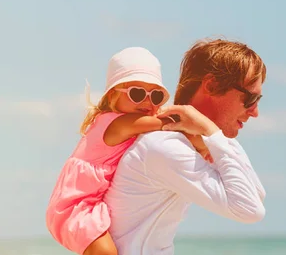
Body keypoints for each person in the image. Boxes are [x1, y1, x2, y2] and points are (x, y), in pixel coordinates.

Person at [104, 37, 267, 254]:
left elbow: (256, 193)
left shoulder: (189, 142)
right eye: (249, 100)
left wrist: (213, 135)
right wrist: (211, 132)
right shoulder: (164, 145)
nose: (254, 112)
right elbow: (249, 210)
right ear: (211, 85)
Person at [45, 47, 211, 255]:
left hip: (91, 204)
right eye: (137, 93)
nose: (147, 102)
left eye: (156, 96)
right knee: (106, 252)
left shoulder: (125, 124)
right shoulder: (118, 123)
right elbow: (168, 123)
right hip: (74, 207)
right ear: (113, 95)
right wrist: (203, 137)